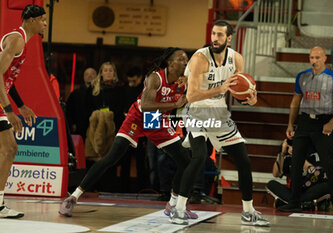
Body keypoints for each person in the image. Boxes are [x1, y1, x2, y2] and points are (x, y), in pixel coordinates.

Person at [59, 47, 196, 220]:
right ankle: (73, 197)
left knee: (185, 160)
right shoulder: (156, 77)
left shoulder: (185, 80)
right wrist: (175, 105)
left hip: (158, 119)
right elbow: (146, 106)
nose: (186, 62)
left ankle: (173, 204)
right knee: (111, 158)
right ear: (170, 63)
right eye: (181, 59)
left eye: (186, 59)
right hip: (139, 117)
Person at [170, 20, 270, 226]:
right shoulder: (200, 58)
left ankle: (248, 211)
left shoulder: (237, 59)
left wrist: (250, 99)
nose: (215, 38)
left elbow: (241, 90)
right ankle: (178, 208)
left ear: (229, 38)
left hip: (218, 113)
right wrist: (220, 89)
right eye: (214, 34)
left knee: (243, 160)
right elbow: (192, 95)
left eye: (220, 35)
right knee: (198, 157)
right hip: (196, 110)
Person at [278, 46, 333, 216]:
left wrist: (331, 123)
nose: (314, 61)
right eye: (311, 57)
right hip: (304, 121)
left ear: (325, 58)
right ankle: (294, 202)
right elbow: (295, 102)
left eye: (317, 57)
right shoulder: (302, 76)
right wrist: (290, 124)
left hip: (323, 122)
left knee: (329, 164)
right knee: (295, 162)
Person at [0, 4, 46, 218]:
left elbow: (7, 79)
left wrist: (20, 105)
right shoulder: (17, 39)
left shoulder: (23, 42)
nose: (45, 23)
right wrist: (9, 110)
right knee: (9, 148)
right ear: (31, 20)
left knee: (9, 149)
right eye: (42, 19)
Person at [266, 139, 330, 209]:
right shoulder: (287, 158)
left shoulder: (313, 155)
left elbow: (315, 173)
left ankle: (293, 203)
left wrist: (298, 155)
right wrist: (282, 153)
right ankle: (303, 204)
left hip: (310, 189)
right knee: (271, 184)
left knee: (327, 186)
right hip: (294, 191)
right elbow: (276, 174)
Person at [66, 67, 97, 141]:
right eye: (87, 74)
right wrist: (72, 124)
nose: (89, 76)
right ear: (83, 77)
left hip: (95, 129)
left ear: (97, 76)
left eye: (92, 74)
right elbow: (69, 110)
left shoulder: (100, 93)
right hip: (79, 128)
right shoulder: (75, 94)